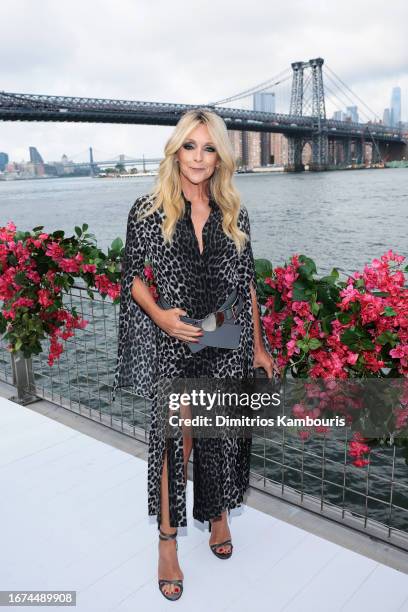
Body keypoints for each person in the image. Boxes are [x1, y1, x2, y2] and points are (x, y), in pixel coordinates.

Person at [111, 108, 279, 601]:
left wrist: (260, 347)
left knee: (219, 433)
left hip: (225, 340)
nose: (199, 157)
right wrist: (160, 316)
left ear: (220, 156)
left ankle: (218, 514)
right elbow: (131, 277)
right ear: (176, 149)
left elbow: (244, 281)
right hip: (175, 342)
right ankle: (167, 543)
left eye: (209, 148)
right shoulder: (148, 209)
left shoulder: (234, 211)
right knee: (173, 443)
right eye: (190, 146)